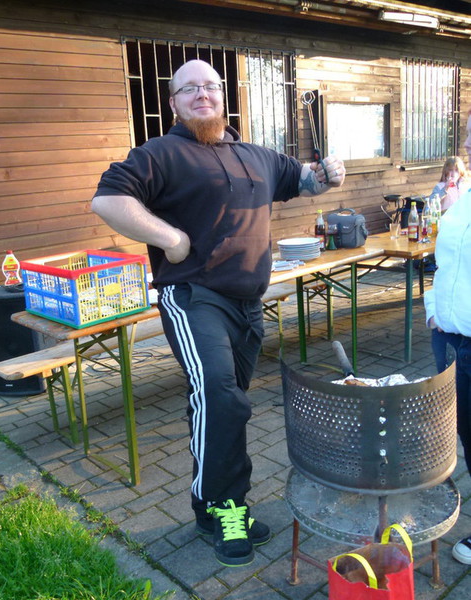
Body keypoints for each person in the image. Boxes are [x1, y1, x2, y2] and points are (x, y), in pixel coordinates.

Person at [92, 59, 345, 567]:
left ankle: (207, 505)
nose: (202, 95)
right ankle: (229, 507)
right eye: (189, 89)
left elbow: (305, 180)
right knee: (222, 400)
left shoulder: (256, 155)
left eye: (210, 86)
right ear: (173, 102)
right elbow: (108, 201)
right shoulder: (159, 154)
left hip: (248, 303)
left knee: (217, 404)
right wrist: (169, 238)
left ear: (223, 96)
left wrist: (327, 176)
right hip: (194, 297)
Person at [424, 188, 471, 565]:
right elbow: (448, 266)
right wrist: (433, 310)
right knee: (465, 431)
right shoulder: (466, 197)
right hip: (450, 339)